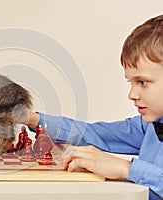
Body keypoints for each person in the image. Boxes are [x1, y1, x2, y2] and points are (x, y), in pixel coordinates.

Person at [25, 15, 163, 200]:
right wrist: (31, 118)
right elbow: (94, 133)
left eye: (143, 82)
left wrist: (126, 168)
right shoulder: (148, 126)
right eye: (130, 82)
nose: (132, 95)